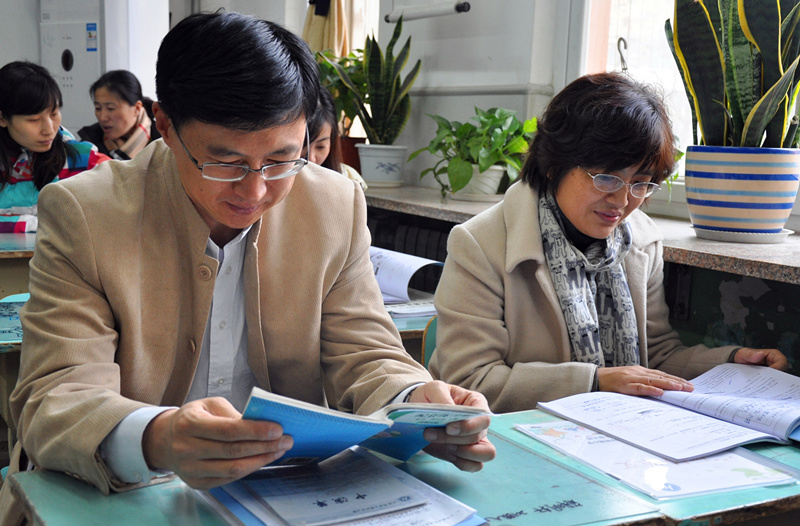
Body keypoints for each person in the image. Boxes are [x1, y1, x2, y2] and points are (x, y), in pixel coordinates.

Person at [0, 12, 494, 523]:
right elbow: (55, 396)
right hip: (128, 497)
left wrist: (416, 402)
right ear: (165, 126)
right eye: (225, 162)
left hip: (289, 496)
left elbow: (365, 351)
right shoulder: (86, 214)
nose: (255, 190)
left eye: (281, 160)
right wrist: (157, 437)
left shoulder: (333, 203)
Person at [429, 72, 789, 414]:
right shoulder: (480, 244)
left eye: (641, 182)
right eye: (606, 178)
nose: (622, 201)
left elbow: (656, 356)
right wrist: (594, 382)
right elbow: (470, 380)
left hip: (614, 430)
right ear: (553, 165)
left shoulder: (642, 240)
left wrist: (731, 361)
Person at [0, 61, 109, 233]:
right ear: (2, 118)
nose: (49, 130)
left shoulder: (81, 160)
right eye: (34, 120)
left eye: (54, 114)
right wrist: (36, 225)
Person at [77, 69, 161, 160]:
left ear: (137, 108)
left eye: (111, 108)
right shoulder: (87, 149)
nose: (102, 118)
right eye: (98, 108)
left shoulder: (164, 143)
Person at [306, 87, 367, 190]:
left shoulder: (348, 179)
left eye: (321, 147)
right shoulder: (277, 181)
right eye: (303, 145)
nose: (311, 158)